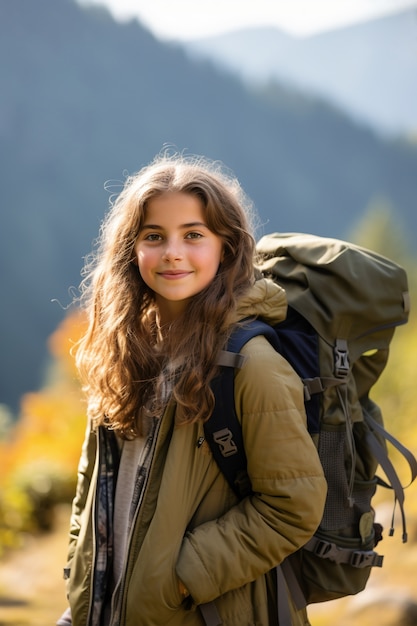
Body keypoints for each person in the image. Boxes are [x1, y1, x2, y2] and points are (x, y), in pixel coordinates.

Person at [57, 153, 327, 626]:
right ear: (131, 249)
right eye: (154, 236)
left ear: (226, 247)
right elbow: (92, 484)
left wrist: (179, 577)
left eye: (194, 235)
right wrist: (82, 589)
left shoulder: (251, 366)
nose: (172, 252)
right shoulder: (124, 352)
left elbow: (293, 506)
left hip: (202, 611)